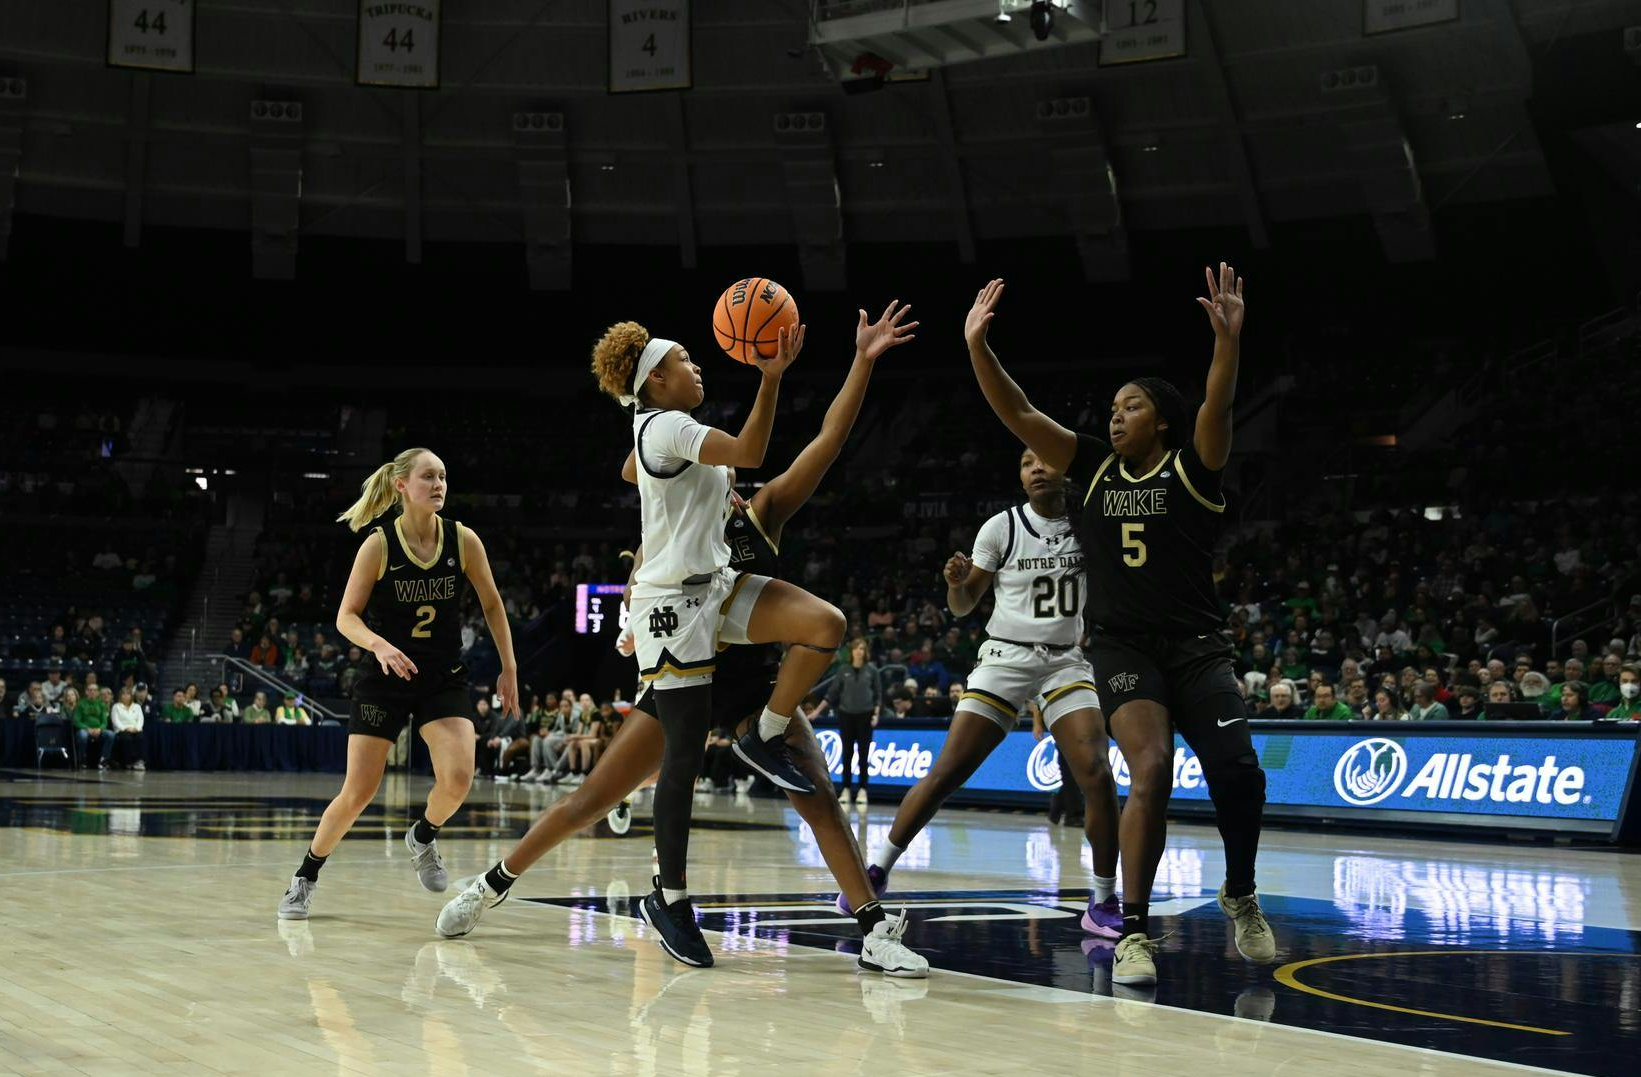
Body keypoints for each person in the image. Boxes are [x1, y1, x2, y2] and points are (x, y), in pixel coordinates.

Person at [437, 300, 926, 979]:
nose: (721, 486)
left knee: (817, 793)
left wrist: (861, 362)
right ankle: (492, 882)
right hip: (677, 670)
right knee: (591, 798)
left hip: (749, 687)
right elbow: (642, 467)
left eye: (723, 482)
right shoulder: (675, 502)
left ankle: (872, 925)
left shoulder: (758, 517)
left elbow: (827, 442)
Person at [964, 265, 1273, 987]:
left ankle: (1241, 891)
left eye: (1130, 407)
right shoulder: (1094, 466)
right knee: (1152, 767)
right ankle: (1134, 930)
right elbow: (1020, 413)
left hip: (1197, 644)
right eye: (1111, 407)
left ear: (1161, 419)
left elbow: (1219, 408)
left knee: (1239, 773)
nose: (1115, 416)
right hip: (1123, 645)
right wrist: (979, 347)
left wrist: (1227, 342)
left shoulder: (1195, 467)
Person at [865, 447, 1123, 938]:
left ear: (1066, 469)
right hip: (1006, 656)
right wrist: (956, 585)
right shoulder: (1001, 528)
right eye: (1026, 462)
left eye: (1045, 460)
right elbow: (963, 607)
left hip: (1065, 659)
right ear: (1020, 476)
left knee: (1098, 773)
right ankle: (876, 870)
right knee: (948, 771)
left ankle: (1104, 898)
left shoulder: (1089, 524)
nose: (1037, 468)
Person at [280, 448, 520, 919]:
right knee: (359, 792)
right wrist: (379, 645)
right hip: (386, 678)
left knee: (457, 779)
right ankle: (304, 877)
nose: (439, 484)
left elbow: (493, 605)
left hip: (442, 677)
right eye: (428, 476)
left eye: (443, 476)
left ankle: (424, 836)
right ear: (402, 486)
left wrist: (509, 667)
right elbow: (345, 617)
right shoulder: (379, 544)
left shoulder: (463, 540)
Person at [811, 640, 881, 805]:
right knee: (847, 754)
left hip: (866, 715)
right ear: (851, 652)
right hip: (846, 715)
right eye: (856, 648)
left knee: (864, 754)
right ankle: (846, 789)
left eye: (862, 649)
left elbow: (878, 694)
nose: (859, 652)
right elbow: (832, 694)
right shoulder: (843, 670)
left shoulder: (872, 671)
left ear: (866, 652)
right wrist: (816, 712)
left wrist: (876, 714)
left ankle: (863, 789)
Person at [74, 684, 111, 767]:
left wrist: (100, 729)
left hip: (98, 730)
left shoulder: (101, 704)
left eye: (95, 690)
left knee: (110, 734)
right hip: (85, 730)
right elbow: (76, 721)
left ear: (98, 693)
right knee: (82, 735)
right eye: (90, 690)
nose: (92, 692)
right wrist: (88, 729)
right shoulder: (81, 704)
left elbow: (104, 722)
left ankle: (103, 759)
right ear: (86, 692)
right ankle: (82, 759)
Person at [109, 685, 146, 770]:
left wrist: (136, 728)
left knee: (140, 737)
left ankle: (139, 761)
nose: (126, 696)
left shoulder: (137, 707)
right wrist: (125, 728)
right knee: (126, 738)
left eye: (128, 694)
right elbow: (115, 720)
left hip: (135, 729)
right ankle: (128, 761)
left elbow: (140, 720)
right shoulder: (116, 707)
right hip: (122, 730)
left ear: (131, 696)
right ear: (120, 696)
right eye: (123, 694)